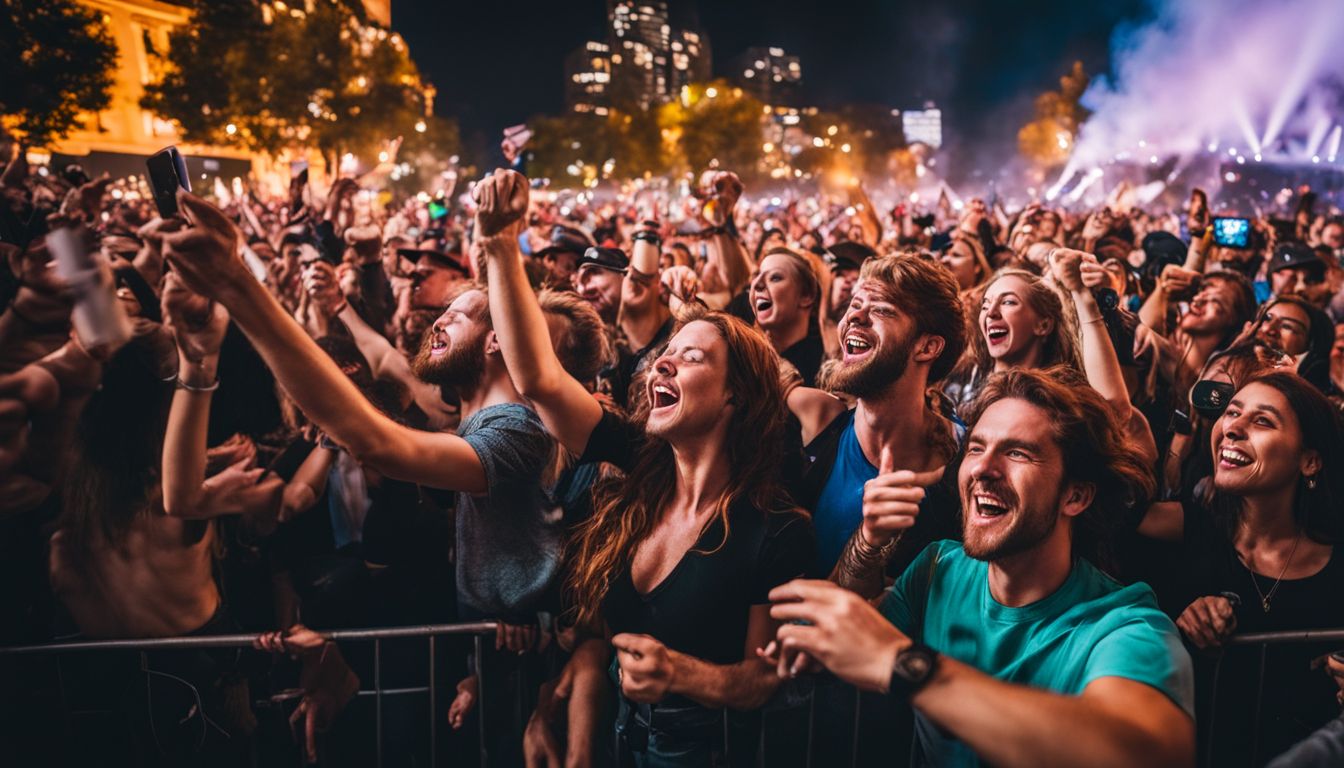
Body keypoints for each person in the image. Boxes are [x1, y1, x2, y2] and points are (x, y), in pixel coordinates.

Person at [475, 169, 813, 766]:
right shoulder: (643, 466)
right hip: (621, 742)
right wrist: (500, 246)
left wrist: (686, 675)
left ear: (735, 395)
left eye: (689, 358)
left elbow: (768, 681)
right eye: (663, 357)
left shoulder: (776, 529)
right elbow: (539, 380)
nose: (661, 367)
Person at [157, 190, 560, 627]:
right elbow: (384, 355)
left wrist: (236, 285)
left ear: (496, 339)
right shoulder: (468, 421)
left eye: (457, 316)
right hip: (484, 641)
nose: (439, 321)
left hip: (520, 656)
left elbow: (377, 444)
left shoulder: (515, 431)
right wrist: (334, 306)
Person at [765, 368, 1195, 767]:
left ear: (1076, 496)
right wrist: (868, 541)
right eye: (976, 448)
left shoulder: (1124, 625)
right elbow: (849, 641)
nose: (983, 470)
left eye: (1018, 453)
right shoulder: (939, 570)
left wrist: (908, 666)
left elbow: (1146, 751)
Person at [1139, 372, 1344, 765]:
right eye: (1232, 413)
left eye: (1262, 420)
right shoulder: (1181, 531)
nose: (1232, 427)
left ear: (1310, 461)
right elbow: (1108, 513)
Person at [750, 247, 824, 386]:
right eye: (757, 275)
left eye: (775, 277)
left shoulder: (824, 369)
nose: (757, 285)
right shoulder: (746, 355)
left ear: (806, 296)